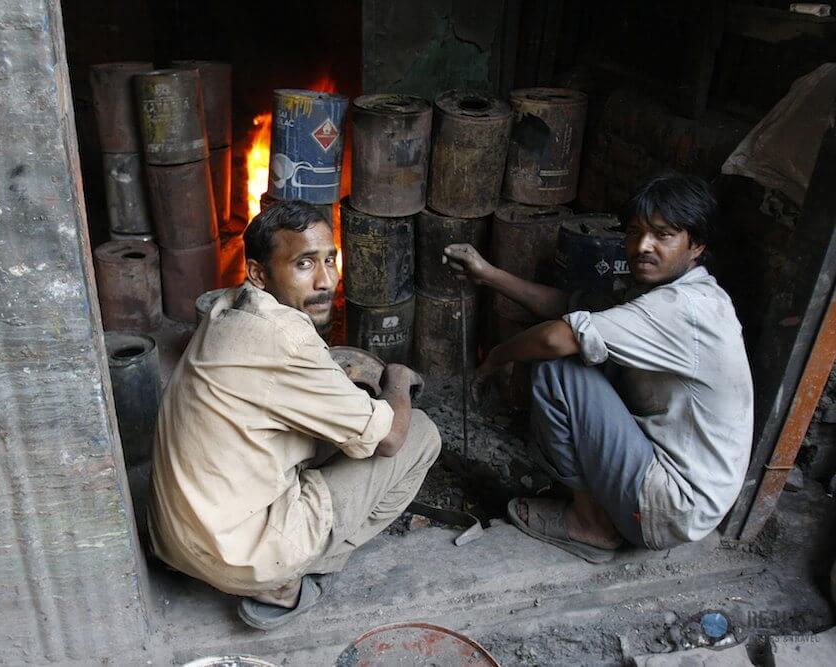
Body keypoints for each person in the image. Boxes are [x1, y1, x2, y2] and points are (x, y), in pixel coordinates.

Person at [148, 200, 440, 629]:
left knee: (330, 435)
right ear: (259, 273)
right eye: (304, 264)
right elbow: (390, 439)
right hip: (237, 556)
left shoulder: (228, 307)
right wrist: (396, 381)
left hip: (174, 539)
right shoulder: (287, 338)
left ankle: (259, 564)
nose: (326, 280)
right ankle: (287, 581)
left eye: (330, 260)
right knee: (421, 435)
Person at [444, 173, 753, 562]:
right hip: (678, 488)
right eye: (636, 232)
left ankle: (592, 525)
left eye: (663, 235)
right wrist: (487, 274)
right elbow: (573, 307)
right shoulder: (673, 292)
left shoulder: (681, 308)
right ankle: (601, 503)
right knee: (585, 350)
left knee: (559, 368)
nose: (643, 246)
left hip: (673, 504)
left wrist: (496, 357)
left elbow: (557, 337)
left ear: (697, 245)